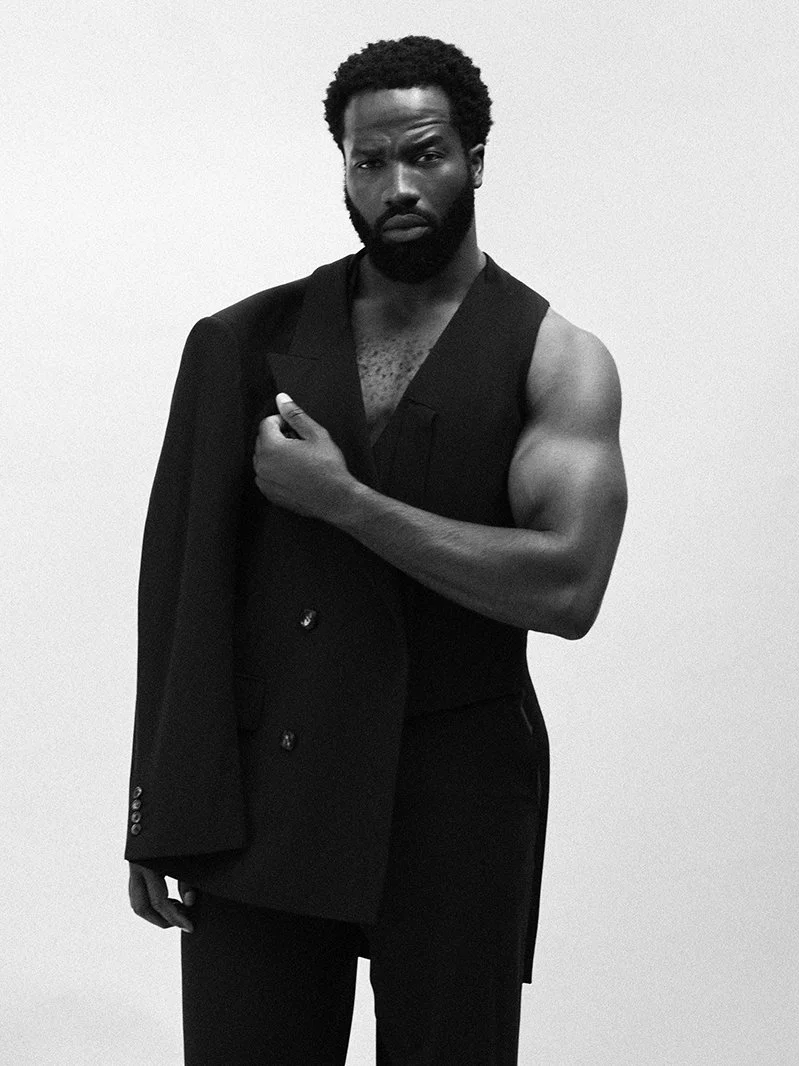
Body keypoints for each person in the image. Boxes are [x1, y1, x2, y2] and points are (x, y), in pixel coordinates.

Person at [126, 35, 627, 1065]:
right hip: (267, 795)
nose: (397, 185)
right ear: (343, 169)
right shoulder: (242, 342)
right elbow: (183, 589)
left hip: (456, 792)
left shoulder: (557, 359)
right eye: (368, 161)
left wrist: (347, 501)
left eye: (426, 153)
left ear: (475, 158)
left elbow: (568, 584)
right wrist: (159, 808)